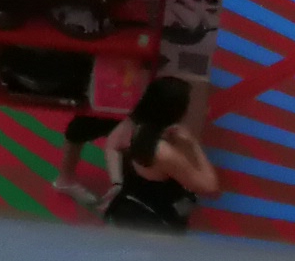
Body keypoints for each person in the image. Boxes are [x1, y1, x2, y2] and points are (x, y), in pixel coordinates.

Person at [64, 74, 219, 230]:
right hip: (155, 219)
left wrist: (117, 183)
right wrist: (194, 144)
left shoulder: (136, 125)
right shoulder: (164, 153)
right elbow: (210, 187)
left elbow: (113, 144)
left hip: (133, 203)